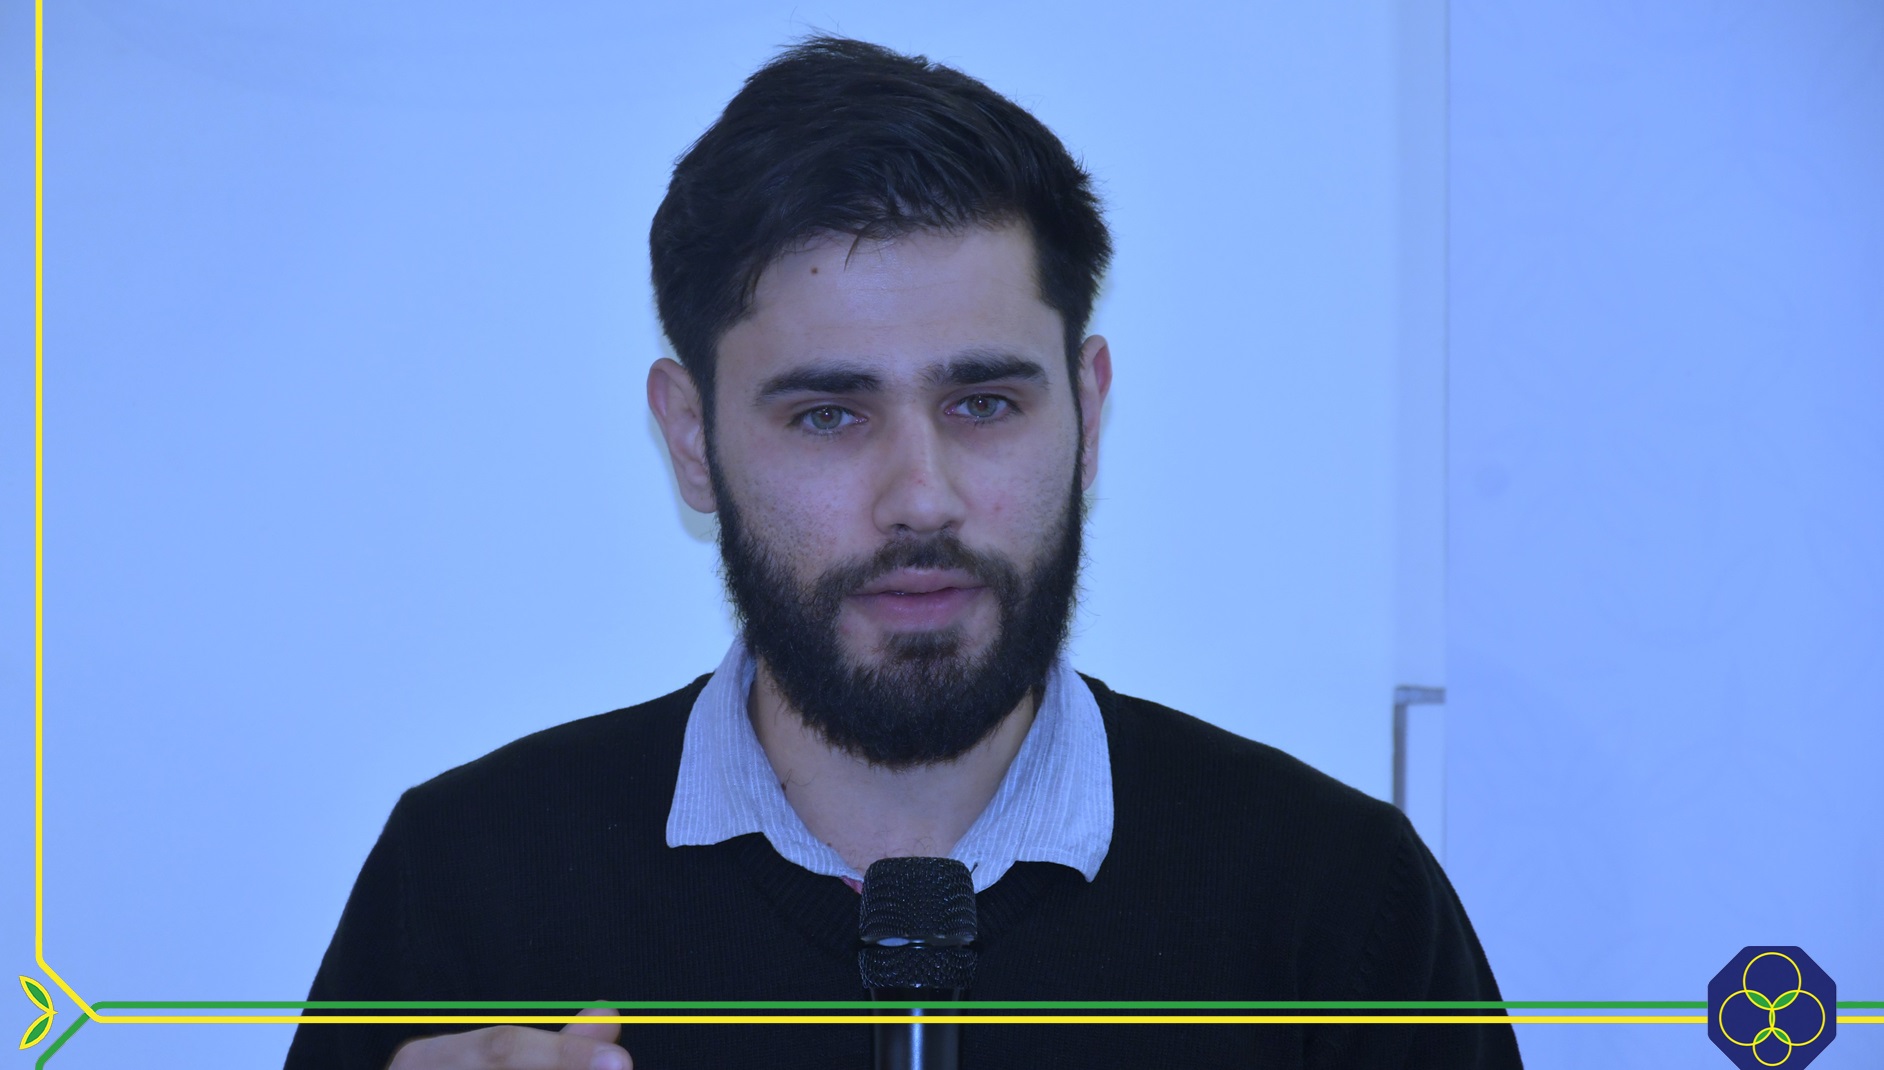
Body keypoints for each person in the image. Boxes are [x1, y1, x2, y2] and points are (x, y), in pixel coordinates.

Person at [285, 35, 1522, 1070]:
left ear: (1088, 412)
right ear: (692, 439)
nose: (921, 496)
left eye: (984, 403)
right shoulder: (472, 879)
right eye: (829, 414)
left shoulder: (1334, 907)